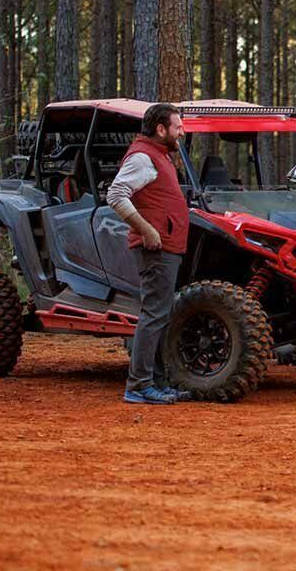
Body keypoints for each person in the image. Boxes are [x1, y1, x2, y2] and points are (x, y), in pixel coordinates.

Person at [108, 103, 189, 405]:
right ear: (160, 129)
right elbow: (115, 195)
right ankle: (139, 385)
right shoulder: (143, 157)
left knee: (160, 314)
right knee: (154, 314)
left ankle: (156, 383)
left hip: (167, 247)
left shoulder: (160, 156)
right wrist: (146, 230)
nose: (182, 131)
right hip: (155, 249)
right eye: (177, 126)